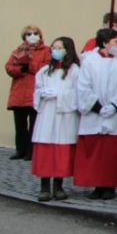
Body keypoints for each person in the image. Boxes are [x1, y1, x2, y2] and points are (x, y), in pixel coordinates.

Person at [74, 28, 117, 200]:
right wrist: (97, 107)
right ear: (104, 43)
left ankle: (109, 186)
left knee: (112, 153)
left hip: (115, 115)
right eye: (115, 42)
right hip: (95, 114)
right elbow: (83, 87)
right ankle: (97, 185)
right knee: (95, 152)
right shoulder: (89, 61)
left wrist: (115, 105)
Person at [31, 37, 82, 202]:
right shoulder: (45, 70)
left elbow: (79, 94)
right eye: (53, 47)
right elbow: (37, 90)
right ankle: (44, 187)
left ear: (68, 50)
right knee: (46, 149)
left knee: (61, 150)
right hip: (47, 114)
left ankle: (58, 186)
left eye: (59, 47)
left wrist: (59, 95)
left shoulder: (75, 71)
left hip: (63, 116)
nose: (55, 50)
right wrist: (41, 94)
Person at [5, 24, 50, 160]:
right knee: (20, 125)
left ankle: (31, 152)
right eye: (29, 34)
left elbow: (47, 67)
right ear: (24, 37)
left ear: (40, 36)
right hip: (19, 93)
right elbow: (9, 67)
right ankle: (20, 150)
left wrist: (30, 66)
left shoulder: (46, 51)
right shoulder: (18, 51)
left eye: (35, 33)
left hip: (35, 92)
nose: (32, 36)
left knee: (34, 125)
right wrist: (20, 69)